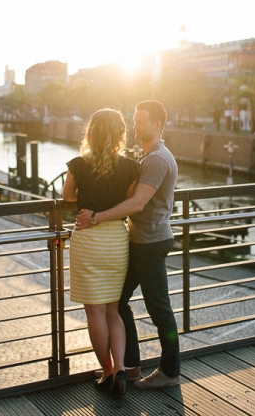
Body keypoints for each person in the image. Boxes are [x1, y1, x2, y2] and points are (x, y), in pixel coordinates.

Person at [76, 100, 180, 389]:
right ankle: (129, 366)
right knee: (119, 301)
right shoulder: (147, 156)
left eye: (141, 121)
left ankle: (170, 371)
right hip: (139, 240)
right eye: (134, 121)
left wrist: (96, 217)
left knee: (159, 309)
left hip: (150, 242)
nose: (135, 126)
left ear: (157, 124)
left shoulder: (157, 159)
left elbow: (136, 203)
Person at [63, 109, 139, 398]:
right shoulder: (131, 167)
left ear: (90, 133)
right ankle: (121, 368)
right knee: (113, 309)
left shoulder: (78, 165)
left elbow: (68, 196)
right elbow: (129, 201)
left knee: (94, 311)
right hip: (117, 238)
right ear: (120, 133)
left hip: (87, 237)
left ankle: (106, 371)